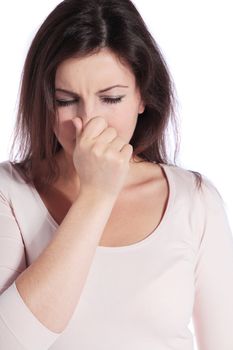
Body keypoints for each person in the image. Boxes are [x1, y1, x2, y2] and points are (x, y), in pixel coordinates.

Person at [0, 0, 232, 349]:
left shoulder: (194, 201)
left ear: (142, 97)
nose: (89, 121)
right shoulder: (11, 192)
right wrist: (96, 194)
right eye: (66, 100)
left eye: (111, 99)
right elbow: (10, 341)